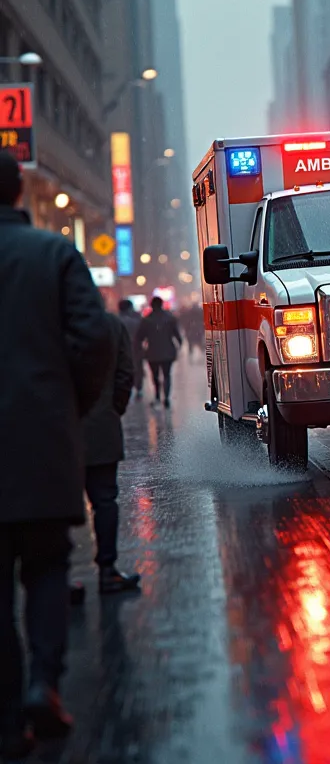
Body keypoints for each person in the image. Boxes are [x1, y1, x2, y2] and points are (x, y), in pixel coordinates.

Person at [0, 151, 111, 756]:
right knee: (45, 565)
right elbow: (93, 339)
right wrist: (67, 400)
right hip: (42, 441)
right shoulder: (53, 255)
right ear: (19, 191)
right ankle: (44, 684)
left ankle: (6, 709)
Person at [78, 313, 141, 597]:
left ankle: (61, 579)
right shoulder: (111, 325)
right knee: (104, 500)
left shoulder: (47, 320)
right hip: (101, 426)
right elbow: (126, 373)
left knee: (54, 506)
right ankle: (107, 572)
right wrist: (113, 409)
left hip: (57, 432)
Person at [136, 296, 182, 408]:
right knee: (167, 375)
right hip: (168, 351)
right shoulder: (170, 318)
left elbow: (140, 337)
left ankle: (157, 396)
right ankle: (166, 398)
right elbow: (177, 334)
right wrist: (179, 345)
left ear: (151, 305)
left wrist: (141, 349)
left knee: (155, 375)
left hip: (153, 352)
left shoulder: (146, 319)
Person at [118, 297, 143, 398]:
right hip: (136, 348)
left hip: (121, 350)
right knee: (137, 369)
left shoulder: (116, 320)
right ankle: (138, 388)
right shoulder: (136, 319)